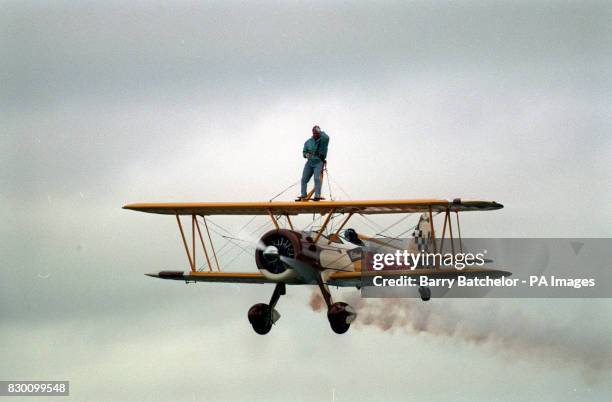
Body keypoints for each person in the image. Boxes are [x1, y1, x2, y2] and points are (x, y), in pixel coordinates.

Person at [297, 125, 329, 201]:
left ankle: (317, 195)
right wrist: (306, 155)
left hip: (318, 162)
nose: (316, 135)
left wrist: (320, 131)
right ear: (312, 133)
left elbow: (327, 137)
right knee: (304, 179)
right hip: (309, 163)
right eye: (315, 133)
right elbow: (304, 152)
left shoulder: (323, 140)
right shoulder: (308, 142)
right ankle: (303, 194)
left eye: (317, 133)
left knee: (316, 178)